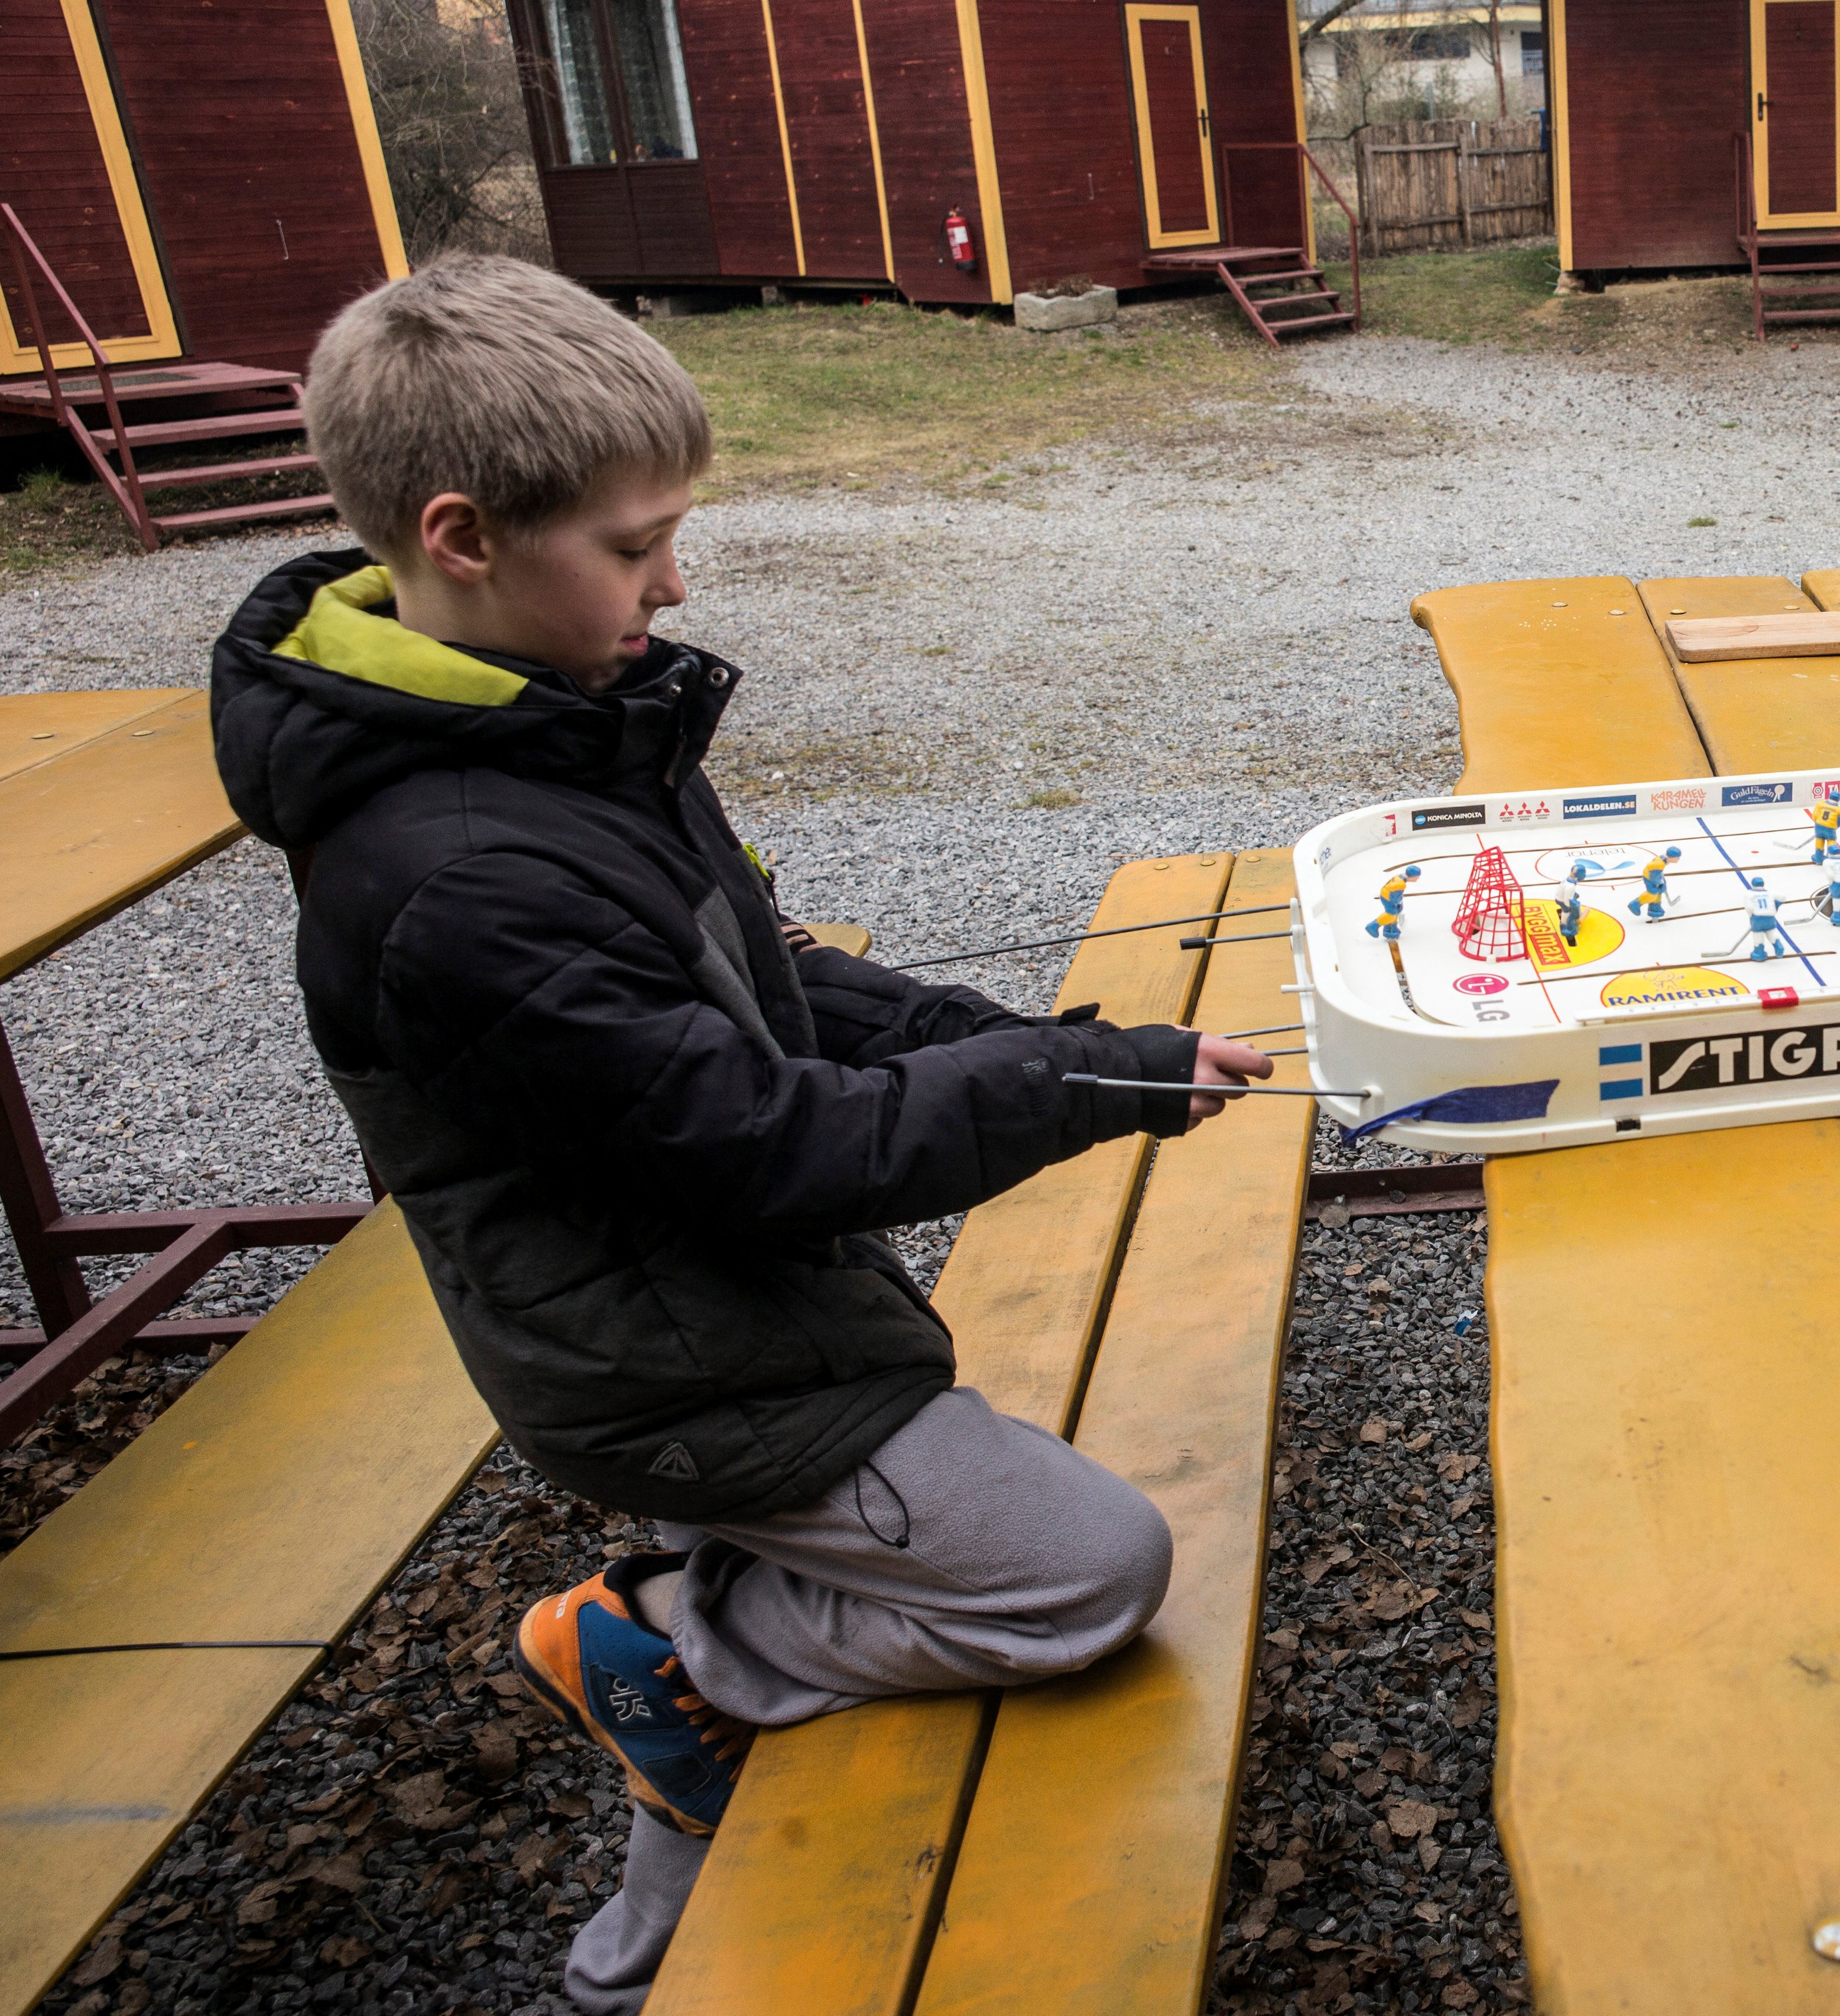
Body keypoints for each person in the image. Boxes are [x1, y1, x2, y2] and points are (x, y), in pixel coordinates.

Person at [207, 254, 1271, 2012]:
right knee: (1094, 1569)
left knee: (846, 1613)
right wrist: (1070, 1090)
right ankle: (672, 1635)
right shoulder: (456, 879)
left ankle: (629, 1968)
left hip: (714, 1300)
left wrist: (1055, 1046)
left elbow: (764, 980)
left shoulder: (553, 722)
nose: (672, 581)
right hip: (669, 1372)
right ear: (463, 533)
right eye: (634, 548)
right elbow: (774, 1143)